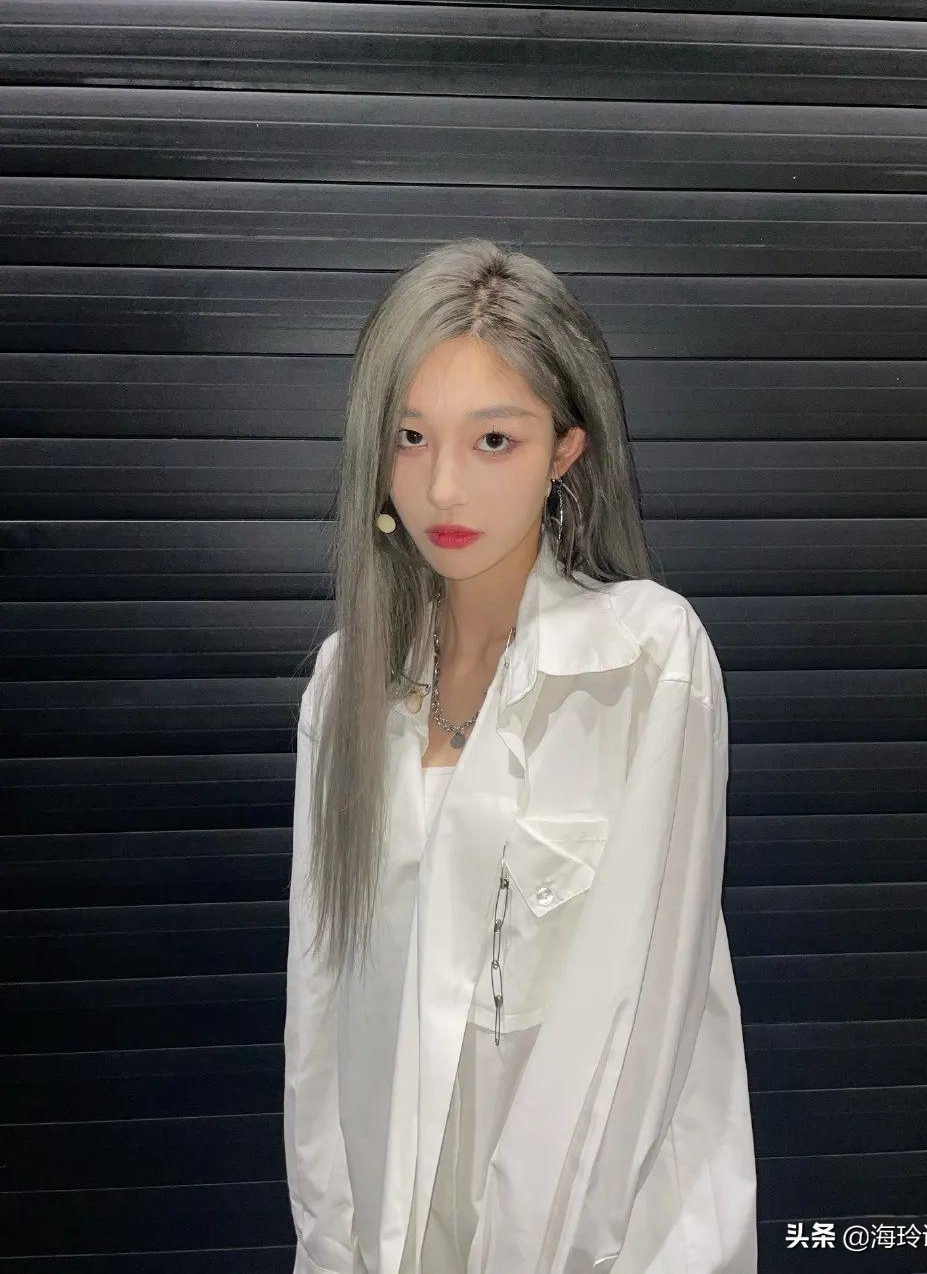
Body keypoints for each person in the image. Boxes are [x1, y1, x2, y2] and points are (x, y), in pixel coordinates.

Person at [284, 238, 758, 1274]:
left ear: (565, 451)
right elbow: (321, 1007)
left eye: (493, 439)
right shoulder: (347, 684)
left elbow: (630, 1024)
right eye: (411, 437)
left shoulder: (644, 661)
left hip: (600, 1236)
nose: (443, 488)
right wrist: (328, 1244)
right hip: (402, 1224)